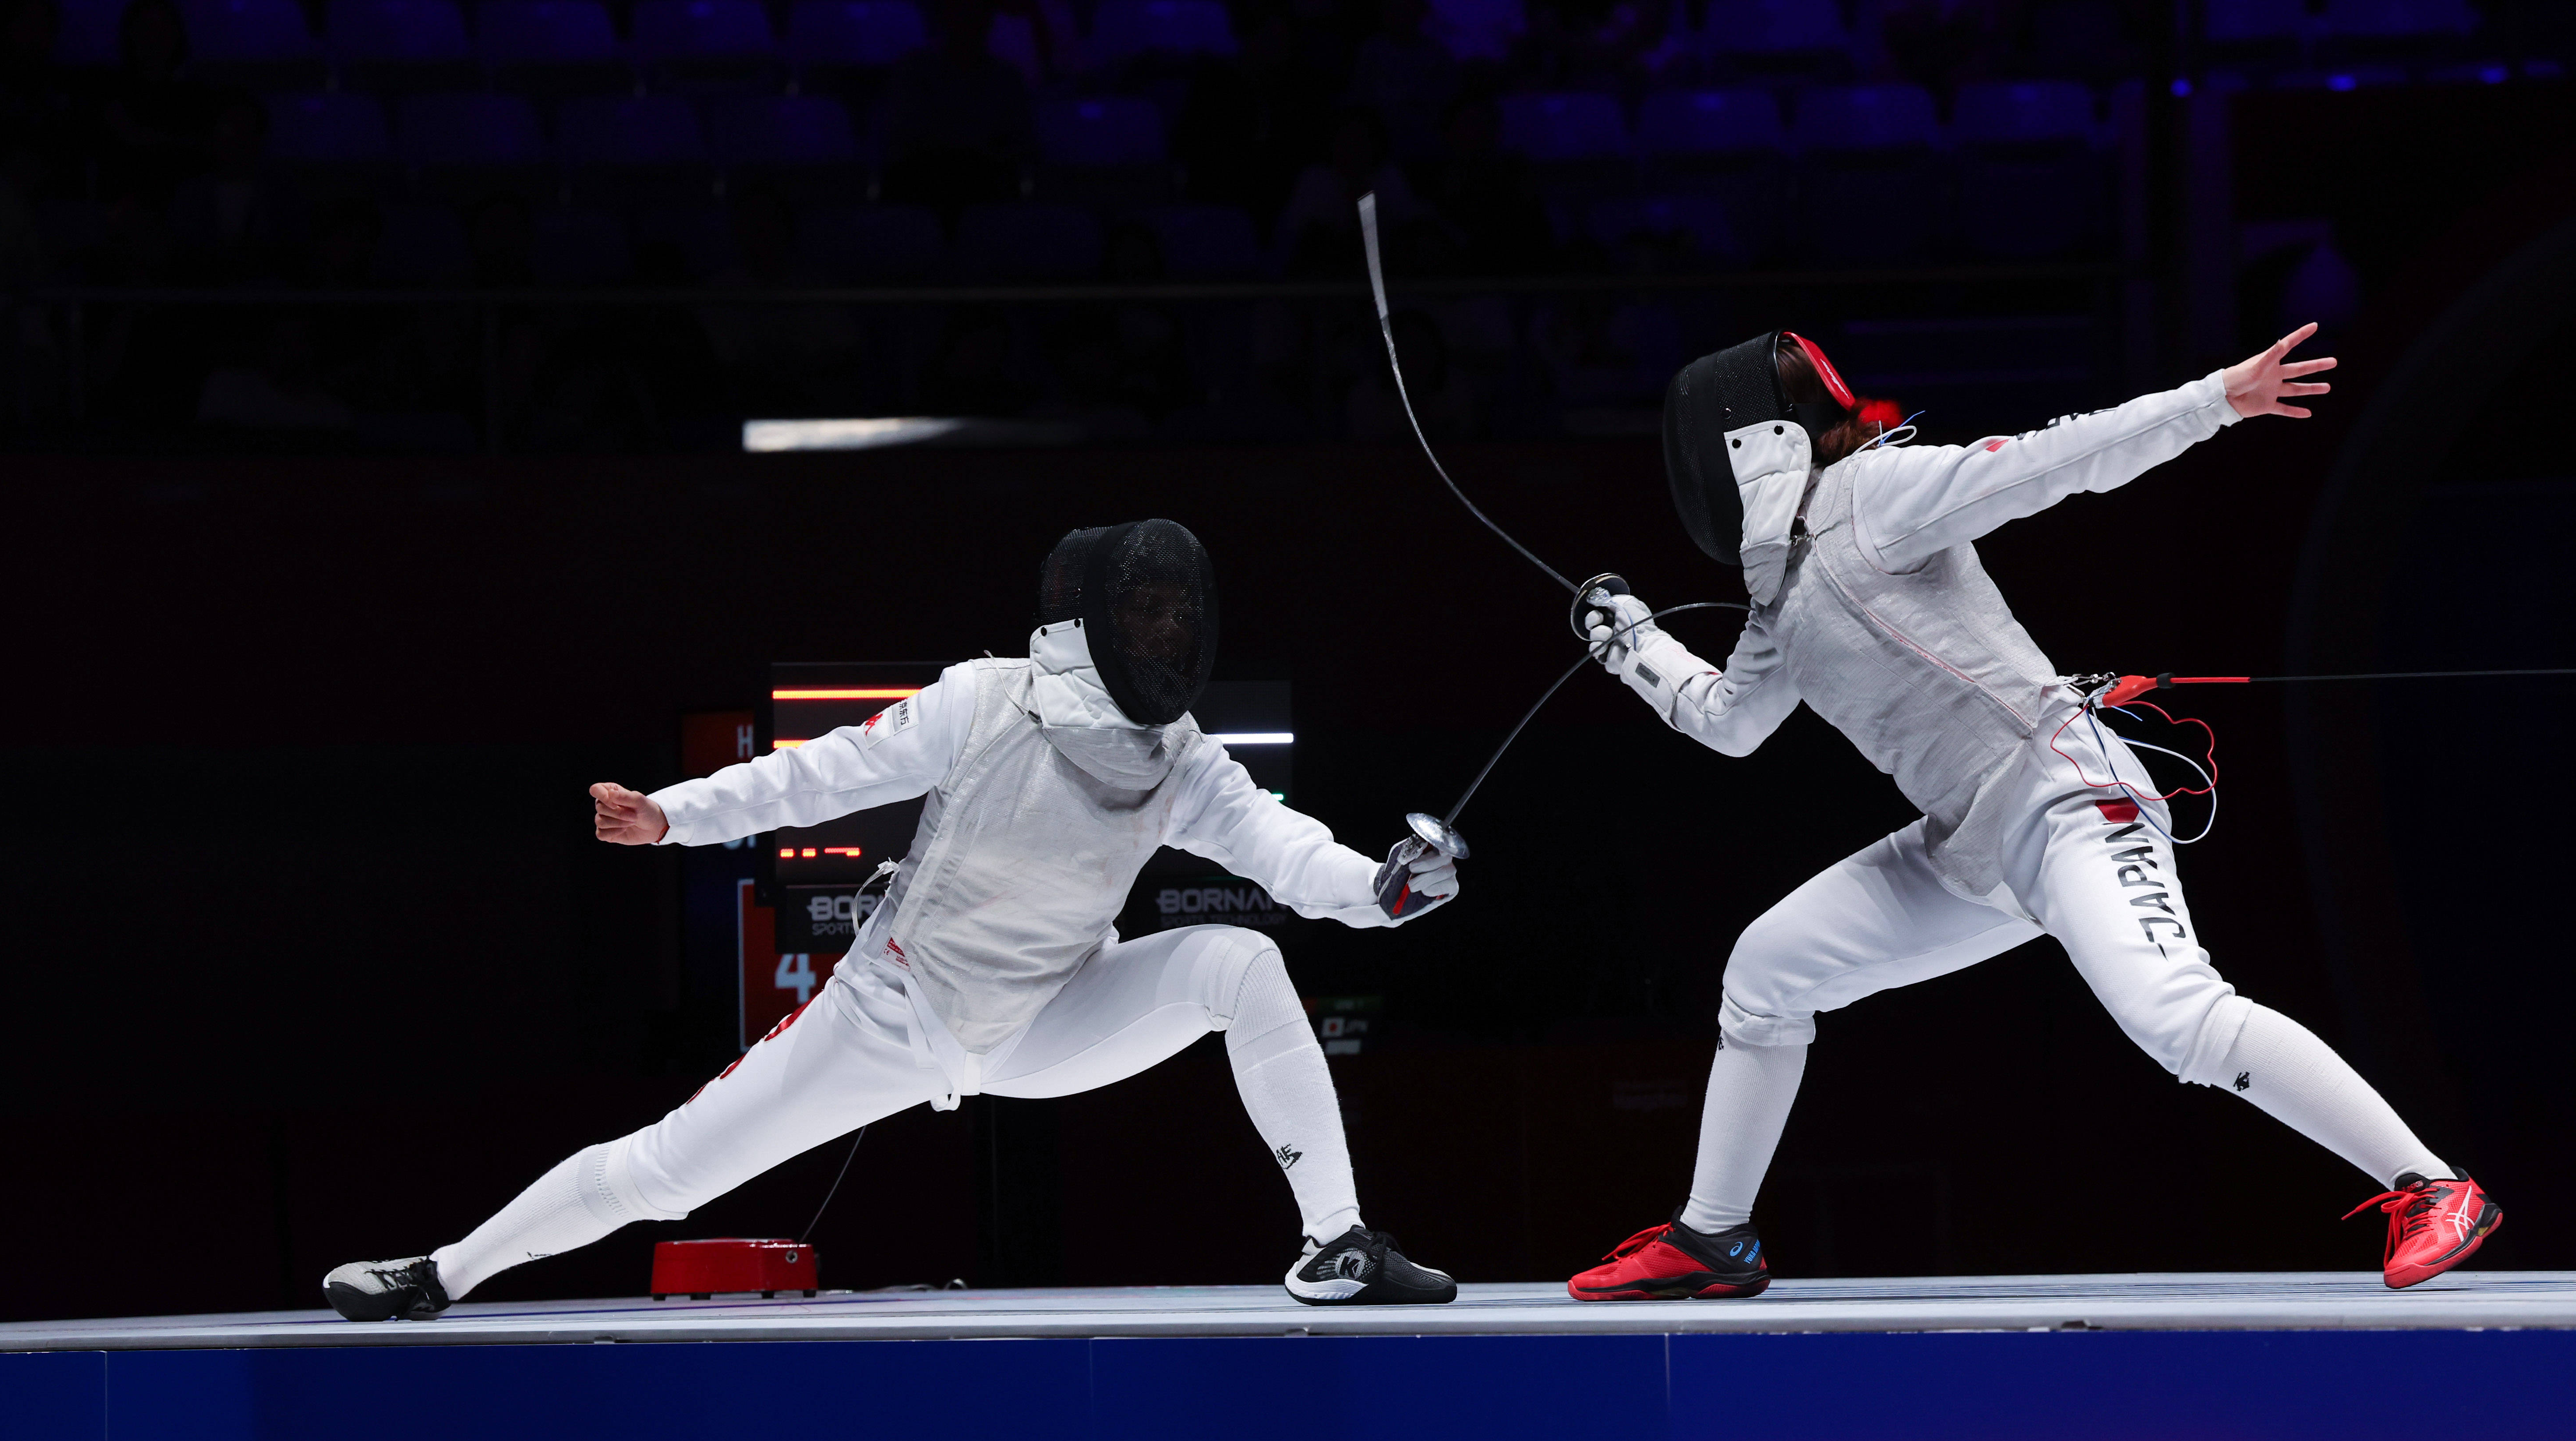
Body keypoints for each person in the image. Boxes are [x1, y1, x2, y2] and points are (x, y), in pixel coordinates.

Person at [324, 521, 1464, 1320]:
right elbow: (817, 778)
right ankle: (441, 1268)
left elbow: (1286, 851)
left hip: (1046, 1016)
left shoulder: (1179, 758)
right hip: (891, 1011)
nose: (1168, 635)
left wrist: (1381, 886)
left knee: (1243, 963)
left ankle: (1335, 1242)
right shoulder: (983, 701)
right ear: (1095, 618)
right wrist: (671, 818)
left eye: (1180, 614)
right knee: (666, 1173)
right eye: (1147, 611)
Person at [1565, 326, 2501, 1300]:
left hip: (2067, 798)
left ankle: (2435, 1186)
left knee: (2175, 1019)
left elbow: (2061, 459)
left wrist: (2217, 398)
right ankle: (1714, 1236)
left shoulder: (1879, 495)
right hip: (1969, 845)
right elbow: (1732, 722)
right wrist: (1633, 643)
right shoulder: (1778, 596)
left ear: (1745, 444)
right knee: (1764, 971)